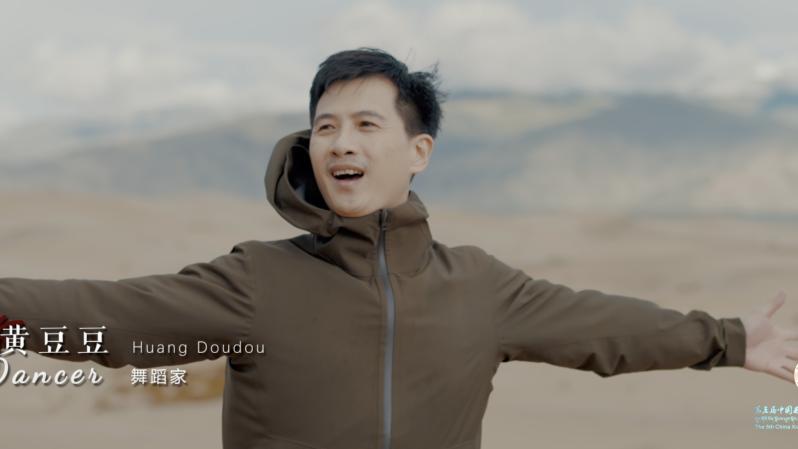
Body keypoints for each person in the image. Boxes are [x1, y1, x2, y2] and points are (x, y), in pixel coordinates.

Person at [1, 47, 796, 449]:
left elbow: (603, 327)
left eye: (364, 124)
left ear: (419, 152)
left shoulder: (479, 285)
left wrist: (730, 339)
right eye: (325, 126)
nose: (340, 142)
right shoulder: (256, 281)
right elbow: (108, 314)